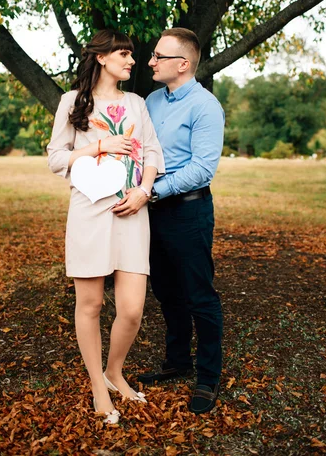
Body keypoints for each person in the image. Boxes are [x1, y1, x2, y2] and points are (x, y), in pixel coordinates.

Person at [47, 30, 164, 424]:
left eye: (132, 54)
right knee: (91, 304)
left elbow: (150, 151)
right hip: (90, 211)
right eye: (123, 53)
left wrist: (144, 191)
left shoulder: (136, 102)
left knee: (131, 310)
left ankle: (115, 370)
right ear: (101, 57)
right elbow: (55, 158)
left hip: (133, 210)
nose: (131, 61)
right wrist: (98, 146)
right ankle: (99, 386)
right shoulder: (71, 101)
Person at [138, 28, 224, 415]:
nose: (151, 61)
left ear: (183, 64)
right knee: (166, 290)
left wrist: (153, 190)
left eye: (159, 56)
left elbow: (203, 168)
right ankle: (177, 361)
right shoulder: (152, 100)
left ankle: (207, 376)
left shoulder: (205, 106)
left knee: (199, 295)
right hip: (150, 212)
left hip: (189, 211)